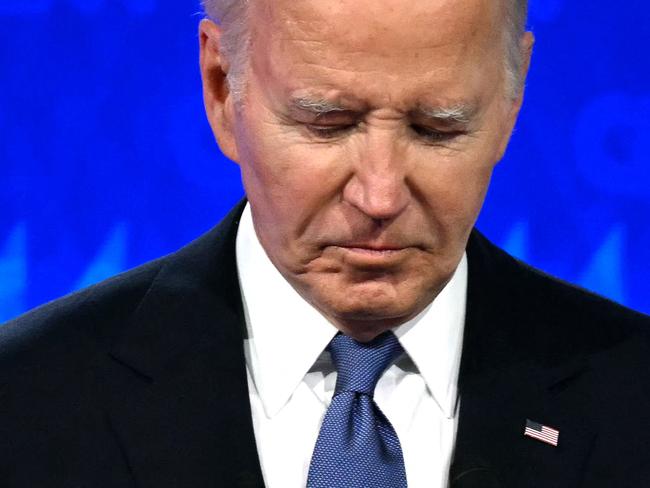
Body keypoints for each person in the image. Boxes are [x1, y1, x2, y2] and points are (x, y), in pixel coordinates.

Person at [1, 0, 649, 486]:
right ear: (223, 87)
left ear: (512, 101)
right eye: (328, 124)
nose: (380, 196)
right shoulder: (25, 402)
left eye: (436, 128)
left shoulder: (633, 394)